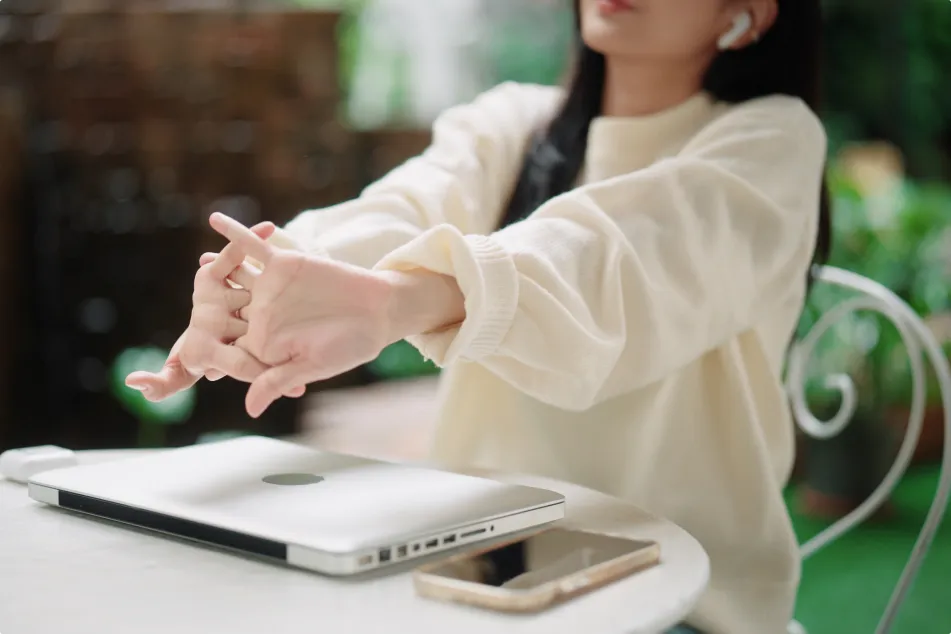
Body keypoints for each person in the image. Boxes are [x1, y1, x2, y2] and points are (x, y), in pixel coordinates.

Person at [126, 0, 831, 632]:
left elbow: (616, 260)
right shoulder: (512, 126)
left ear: (749, 12)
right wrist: (260, 283)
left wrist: (400, 302)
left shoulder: (770, 142)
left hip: (683, 594)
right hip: (472, 566)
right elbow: (397, 210)